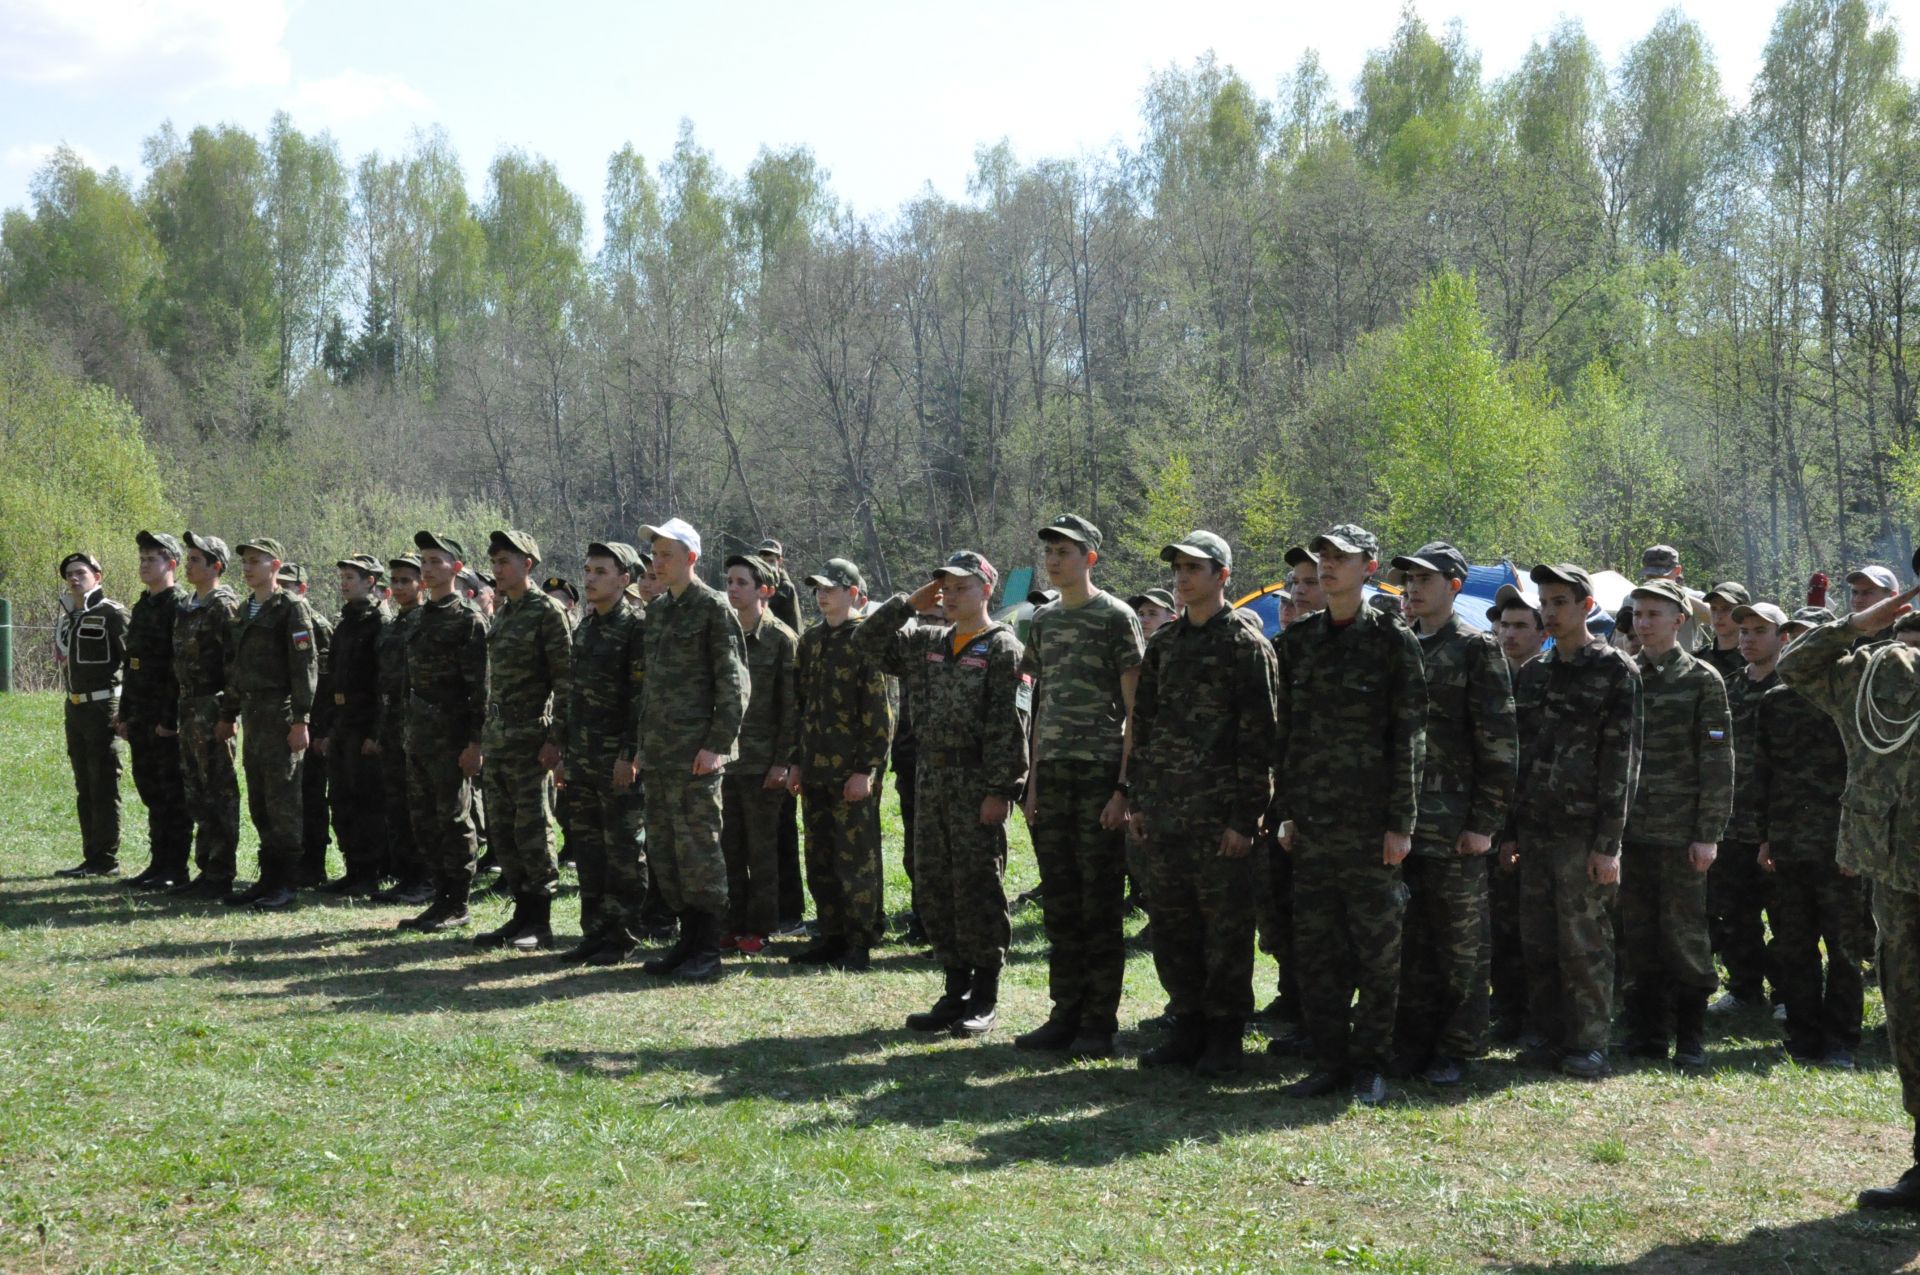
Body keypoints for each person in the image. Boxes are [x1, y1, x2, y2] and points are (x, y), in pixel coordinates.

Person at [1776, 581, 1920, 1210]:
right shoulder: (1879, 676)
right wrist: (1856, 625)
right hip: (1899, 877)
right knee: (1910, 1014)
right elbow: (1794, 665)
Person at [1270, 525, 1425, 1105]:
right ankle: (1330, 1061)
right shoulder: (1301, 641)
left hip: (1370, 828)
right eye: (1322, 558)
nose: (1329, 567)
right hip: (1312, 824)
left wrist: (1400, 824)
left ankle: (1370, 1064)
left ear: (1370, 566)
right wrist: (1285, 810)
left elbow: (1410, 737)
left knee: (1378, 952)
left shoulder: (1391, 639)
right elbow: (1287, 734)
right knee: (1318, 952)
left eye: (1341, 558)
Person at [855, 551, 1031, 1036]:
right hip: (930, 781)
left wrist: (1002, 790)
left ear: (986, 590)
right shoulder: (928, 641)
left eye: (962, 588)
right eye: (945, 589)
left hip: (976, 783)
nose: (951, 596)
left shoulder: (1003, 648)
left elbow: (1010, 727)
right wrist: (909, 603)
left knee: (978, 888)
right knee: (935, 885)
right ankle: (955, 990)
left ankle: (985, 994)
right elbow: (865, 642)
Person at [1130, 529, 1277, 1078]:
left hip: (1220, 820)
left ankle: (1225, 1036)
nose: (1183, 577)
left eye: (1195, 568)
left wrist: (1246, 819)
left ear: (1222, 576)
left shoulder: (1245, 644)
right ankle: (1187, 1024)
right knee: (1172, 927)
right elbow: (1143, 728)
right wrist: (1140, 799)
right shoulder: (1164, 645)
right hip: (1167, 815)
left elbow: (1261, 739)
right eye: (1179, 568)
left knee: (1225, 932)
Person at [1015, 514, 1145, 1060]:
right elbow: (1040, 705)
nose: (1053, 559)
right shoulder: (1042, 622)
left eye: (1065, 551)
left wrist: (1124, 789)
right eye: (1049, 551)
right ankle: (1064, 1012)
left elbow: (1137, 710)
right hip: (1056, 774)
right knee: (1061, 905)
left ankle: (1099, 1022)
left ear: (1090, 557)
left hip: (1098, 775)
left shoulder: (1115, 617)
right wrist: (1033, 781)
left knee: (1098, 904)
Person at [1505, 563, 1642, 1080]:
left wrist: (1609, 844)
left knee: (1584, 942)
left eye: (1560, 601)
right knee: (1538, 939)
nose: (1549, 610)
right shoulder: (1535, 672)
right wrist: (1512, 832)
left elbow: (1622, 762)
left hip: (1584, 833)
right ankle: (1547, 1034)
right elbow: (1521, 758)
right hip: (1537, 830)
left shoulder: (1614, 671)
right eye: (1544, 601)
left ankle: (1588, 1042)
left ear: (1587, 606)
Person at [1390, 541, 1516, 1088]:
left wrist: (1483, 824)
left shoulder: (1474, 649)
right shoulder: (1398, 645)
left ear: (1455, 586)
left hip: (1454, 824)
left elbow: (1499, 745)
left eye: (1426, 579)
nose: (1413, 587)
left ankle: (1460, 1046)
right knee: (1411, 940)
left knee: (1461, 943)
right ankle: (1413, 1041)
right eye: (1409, 579)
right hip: (1404, 822)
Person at [1616, 576, 1733, 1070]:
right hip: (1630, 833)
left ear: (1679, 620)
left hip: (1681, 834)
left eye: (1654, 615)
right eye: (1638, 615)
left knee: (1685, 935)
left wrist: (1708, 833)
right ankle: (1646, 1033)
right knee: (1636, 934)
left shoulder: (1702, 679)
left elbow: (1717, 762)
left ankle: (1690, 1036)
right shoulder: (1622, 673)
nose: (1644, 624)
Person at [634, 518, 749, 980]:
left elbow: (735, 685)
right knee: (665, 851)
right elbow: (653, 688)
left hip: (697, 758)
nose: (657, 563)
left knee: (699, 851)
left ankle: (707, 950)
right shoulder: (660, 611)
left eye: (667, 555)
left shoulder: (712, 608)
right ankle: (686, 942)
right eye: (655, 555)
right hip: (661, 755)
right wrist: (643, 746)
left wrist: (717, 746)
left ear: (691, 559)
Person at [1757, 605, 1861, 1070]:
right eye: (1793, 637)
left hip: (1840, 844)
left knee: (1843, 949)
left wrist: (1855, 841)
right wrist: (1765, 838)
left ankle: (1840, 1038)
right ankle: (1802, 1034)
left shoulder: (1852, 698)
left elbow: (1865, 774)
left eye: (1808, 638)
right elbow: (1763, 774)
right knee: (1793, 945)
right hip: (1789, 842)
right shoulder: (1774, 702)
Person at [789, 558, 895, 971]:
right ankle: (830, 935)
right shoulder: (810, 641)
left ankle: (860, 939)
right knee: (820, 856)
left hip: (851, 771)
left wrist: (866, 769)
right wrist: (796, 762)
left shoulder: (866, 640)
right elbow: (800, 706)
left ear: (853, 593)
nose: (822, 594)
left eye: (830, 588)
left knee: (857, 858)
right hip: (815, 769)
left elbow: (879, 712)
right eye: (817, 588)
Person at [472, 530, 574, 951]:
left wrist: (556, 739)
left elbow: (566, 680)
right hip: (499, 738)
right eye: (494, 562)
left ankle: (540, 921)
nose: (497, 569)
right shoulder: (505, 612)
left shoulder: (546, 612)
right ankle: (519, 915)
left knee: (532, 830)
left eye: (505, 562)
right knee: (504, 830)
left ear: (527, 565)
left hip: (532, 737)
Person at [557, 542, 650, 965]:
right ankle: (593, 931)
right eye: (588, 570)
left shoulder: (636, 628)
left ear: (624, 579)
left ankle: (622, 933)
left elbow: (640, 699)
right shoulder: (585, 626)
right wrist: (562, 749)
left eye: (600, 571)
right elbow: (571, 696)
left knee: (623, 850)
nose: (589, 578)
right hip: (582, 757)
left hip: (617, 758)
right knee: (588, 848)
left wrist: (630, 755)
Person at [217, 538, 319, 910]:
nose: (247, 568)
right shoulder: (246, 610)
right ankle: (267, 878)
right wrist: (229, 713)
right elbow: (236, 667)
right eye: (244, 561)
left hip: (280, 712)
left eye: (255, 561)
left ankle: (286, 882)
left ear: (275, 565)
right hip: (253, 713)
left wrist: (301, 719)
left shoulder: (290, 608)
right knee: (260, 800)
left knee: (283, 800)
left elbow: (304, 667)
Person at [397, 531, 490, 933]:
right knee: (424, 820)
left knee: (454, 820)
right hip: (418, 735)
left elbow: (480, 689)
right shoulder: (418, 617)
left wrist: (475, 744)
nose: (427, 568)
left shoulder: (468, 620)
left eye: (436, 561)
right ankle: (439, 897)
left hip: (451, 738)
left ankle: (458, 901)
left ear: (456, 568)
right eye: (424, 560)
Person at [720, 553, 800, 955]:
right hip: (726, 761)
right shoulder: (722, 631)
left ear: (765, 591)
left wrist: (783, 762)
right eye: (729, 581)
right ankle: (733, 924)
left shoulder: (781, 638)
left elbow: (791, 708)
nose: (732, 589)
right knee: (728, 847)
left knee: (762, 850)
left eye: (741, 583)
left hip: (764, 763)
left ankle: (762, 927)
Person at [1708, 599, 1783, 1015]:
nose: (1748, 639)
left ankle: (1788, 993)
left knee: (1786, 917)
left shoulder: (1794, 687)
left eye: (1758, 632)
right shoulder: (1729, 686)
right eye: (1744, 632)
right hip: (1732, 821)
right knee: (1736, 913)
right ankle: (1744, 989)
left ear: (1780, 635)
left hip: (1778, 821)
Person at [1486, 584, 1546, 1039]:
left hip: (1536, 825)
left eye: (1521, 626)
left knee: (1535, 926)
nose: (1509, 634)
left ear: (1542, 633)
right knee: (1498, 924)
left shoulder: (1549, 680)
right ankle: (1505, 1009)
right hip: (1489, 821)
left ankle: (1533, 1014)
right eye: (1504, 625)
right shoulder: (1489, 677)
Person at [169, 533, 243, 897]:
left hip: (212, 708)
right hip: (188, 708)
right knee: (196, 791)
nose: (189, 563)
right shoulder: (187, 606)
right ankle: (205, 868)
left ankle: (221, 870)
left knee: (220, 790)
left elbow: (234, 666)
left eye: (197, 558)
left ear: (216, 566)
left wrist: (228, 715)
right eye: (189, 557)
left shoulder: (223, 606)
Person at [119, 531, 192, 889]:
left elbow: (177, 669)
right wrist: (124, 712)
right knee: (150, 789)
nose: (144, 565)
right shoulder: (142, 606)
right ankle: (158, 862)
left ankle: (175, 867)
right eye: (142, 559)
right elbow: (132, 664)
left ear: (171, 565)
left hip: (165, 718)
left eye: (152, 559)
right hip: (141, 715)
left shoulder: (179, 607)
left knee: (171, 792)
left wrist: (170, 719)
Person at [53, 551, 129, 878]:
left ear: (97, 576)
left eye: (81, 572)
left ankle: (106, 859)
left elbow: (134, 663)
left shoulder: (113, 613)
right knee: (84, 783)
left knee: (103, 782)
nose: (74, 578)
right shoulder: (68, 618)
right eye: (69, 573)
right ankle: (91, 855)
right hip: (76, 707)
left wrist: (128, 710)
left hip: (103, 706)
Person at [324, 555, 391, 896]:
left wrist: (376, 734)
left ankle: (369, 871)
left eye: (351, 577)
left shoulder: (379, 621)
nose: (344, 582)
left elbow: (385, 683)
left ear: (371, 581)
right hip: (343, 723)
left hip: (365, 725)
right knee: (342, 798)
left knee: (367, 802)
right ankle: (352, 868)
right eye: (343, 577)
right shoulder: (346, 621)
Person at [371, 554, 433, 905]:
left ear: (421, 584)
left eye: (406, 581)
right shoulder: (393, 624)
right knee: (395, 802)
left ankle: (425, 878)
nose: (397, 587)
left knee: (418, 805)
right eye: (393, 581)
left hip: (417, 724)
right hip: (392, 723)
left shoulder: (424, 620)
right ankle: (406, 874)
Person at [276, 563, 335, 887]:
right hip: (283, 721)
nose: (281, 592)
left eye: (288, 586)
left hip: (310, 724)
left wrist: (319, 727)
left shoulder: (315, 625)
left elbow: (323, 683)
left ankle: (313, 864)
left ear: (302, 589)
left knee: (311, 796)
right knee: (288, 795)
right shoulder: (276, 620)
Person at [1638, 544, 1713, 652]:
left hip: (1682, 665)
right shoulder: (1634, 598)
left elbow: (1713, 617)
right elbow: (1620, 637)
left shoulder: (1692, 596)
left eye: (1662, 576)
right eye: (1651, 576)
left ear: (1677, 571)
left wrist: (1678, 595)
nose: (1656, 581)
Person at [1701, 582, 1751, 679]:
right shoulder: (1698, 659)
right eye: (1713, 608)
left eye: (1726, 608)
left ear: (1743, 612)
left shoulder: (1754, 659)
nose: (1718, 616)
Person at [1846, 565, 1900, 647]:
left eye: (1867, 593)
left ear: (1892, 597)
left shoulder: (1905, 636)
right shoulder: (1841, 635)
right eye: (1854, 592)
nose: (1857, 599)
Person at [757, 538, 803, 634]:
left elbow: (795, 623)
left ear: (780, 561)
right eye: (763, 561)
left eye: (771, 561)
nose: (767, 565)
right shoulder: (753, 583)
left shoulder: (786, 588)